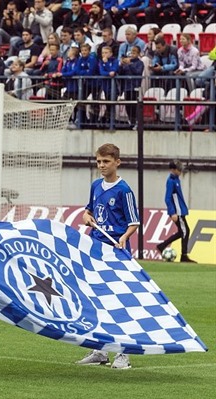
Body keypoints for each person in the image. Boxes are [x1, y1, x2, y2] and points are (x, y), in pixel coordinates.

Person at [77, 143, 140, 370]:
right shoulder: (95, 186)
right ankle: (100, 351)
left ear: (117, 162)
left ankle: (123, 355)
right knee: (96, 300)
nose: (101, 166)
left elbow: (134, 223)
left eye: (106, 162)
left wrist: (124, 237)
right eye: (99, 162)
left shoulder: (124, 190)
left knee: (119, 303)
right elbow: (89, 211)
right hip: (96, 248)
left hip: (116, 250)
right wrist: (86, 216)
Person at [157, 161, 197, 263]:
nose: (180, 171)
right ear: (173, 169)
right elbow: (168, 198)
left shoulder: (176, 179)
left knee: (182, 232)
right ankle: (184, 255)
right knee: (185, 231)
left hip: (180, 210)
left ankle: (162, 245)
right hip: (177, 212)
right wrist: (172, 212)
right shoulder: (171, 181)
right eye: (178, 169)